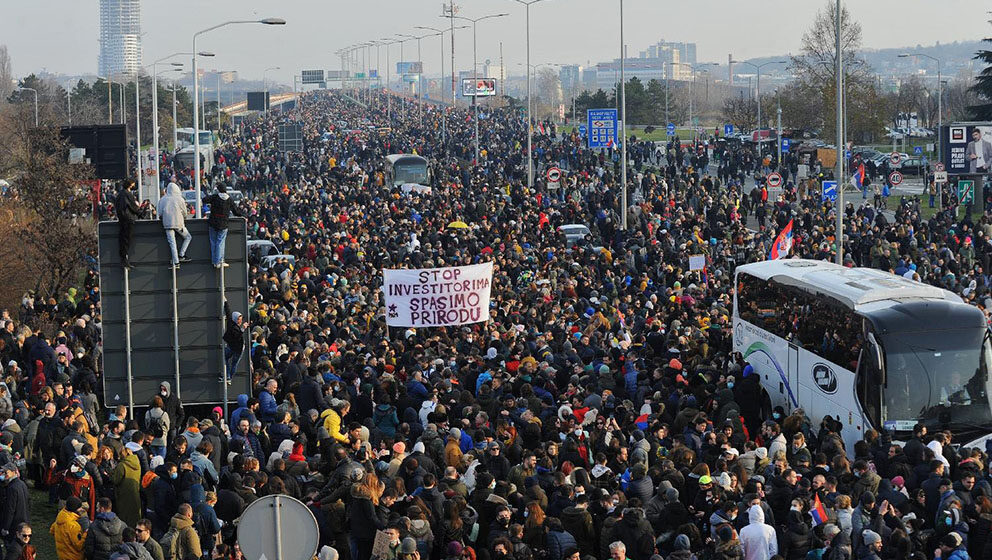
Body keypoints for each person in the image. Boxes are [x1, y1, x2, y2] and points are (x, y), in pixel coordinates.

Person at [202, 184, 242, 268]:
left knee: (213, 242)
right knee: (220, 242)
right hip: (223, 223)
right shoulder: (229, 199)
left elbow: (204, 199)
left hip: (213, 222)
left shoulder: (215, 197)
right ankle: (220, 261)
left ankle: (214, 261)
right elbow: (236, 212)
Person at [156, 183, 192, 268]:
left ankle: (176, 263)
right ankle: (181, 255)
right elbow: (184, 212)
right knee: (188, 237)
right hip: (179, 223)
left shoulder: (162, 199)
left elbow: (160, 213)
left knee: (172, 243)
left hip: (167, 224)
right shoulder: (180, 199)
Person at [111, 443, 142, 528]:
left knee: (125, 520)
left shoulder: (122, 465)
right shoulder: (137, 463)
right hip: (135, 494)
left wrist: (111, 474)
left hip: (124, 495)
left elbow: (115, 480)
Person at [115, 180, 144, 268]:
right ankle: (124, 259)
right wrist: (141, 213)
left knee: (123, 239)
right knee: (127, 239)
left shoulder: (120, 194)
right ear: (130, 185)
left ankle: (123, 258)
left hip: (122, 219)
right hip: (128, 219)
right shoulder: (128, 194)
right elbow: (133, 206)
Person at [0, 462, 29, 547]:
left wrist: (5, 528)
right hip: (24, 521)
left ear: (13, 472)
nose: (5, 474)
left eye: (6, 472)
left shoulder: (12, 488)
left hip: (14, 525)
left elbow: (10, 510)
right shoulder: (22, 484)